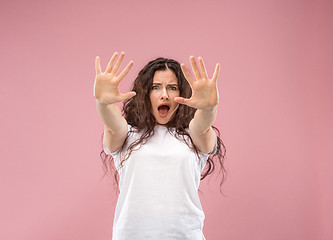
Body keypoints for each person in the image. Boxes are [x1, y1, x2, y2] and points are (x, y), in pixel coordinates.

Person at [94, 52, 226, 240]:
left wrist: (209, 108)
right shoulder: (127, 134)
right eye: (156, 87)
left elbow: (202, 126)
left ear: (181, 94)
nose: (164, 95)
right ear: (146, 94)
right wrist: (103, 104)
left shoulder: (193, 135)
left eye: (172, 88)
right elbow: (113, 124)